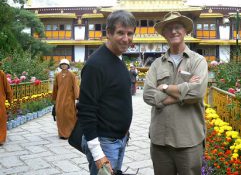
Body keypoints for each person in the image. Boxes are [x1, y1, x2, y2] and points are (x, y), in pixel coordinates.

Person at [143, 11, 208, 175]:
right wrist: (183, 91)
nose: (173, 31)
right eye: (169, 28)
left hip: (189, 139)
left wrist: (164, 88)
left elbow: (197, 92)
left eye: (177, 27)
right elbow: (148, 95)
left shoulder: (197, 61)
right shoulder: (157, 64)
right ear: (164, 34)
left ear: (185, 30)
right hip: (160, 140)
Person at [77, 10, 136, 175]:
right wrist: (98, 154)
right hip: (104, 143)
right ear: (108, 33)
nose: (126, 39)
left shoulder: (118, 58)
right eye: (120, 33)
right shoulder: (96, 65)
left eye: (129, 33)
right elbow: (86, 110)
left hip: (119, 139)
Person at [52, 59, 79, 139]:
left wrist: (77, 97)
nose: (64, 66)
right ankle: (62, 133)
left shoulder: (72, 75)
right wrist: (54, 98)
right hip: (59, 98)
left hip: (69, 98)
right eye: (62, 64)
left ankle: (70, 133)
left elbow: (75, 86)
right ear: (60, 66)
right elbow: (55, 88)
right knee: (60, 115)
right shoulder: (57, 75)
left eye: (65, 64)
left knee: (69, 115)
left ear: (68, 66)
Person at [0, 62, 13, 146]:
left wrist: (9, 100)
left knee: (1, 119)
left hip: (0, 101)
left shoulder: (1, 74)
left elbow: (7, 88)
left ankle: (0, 139)